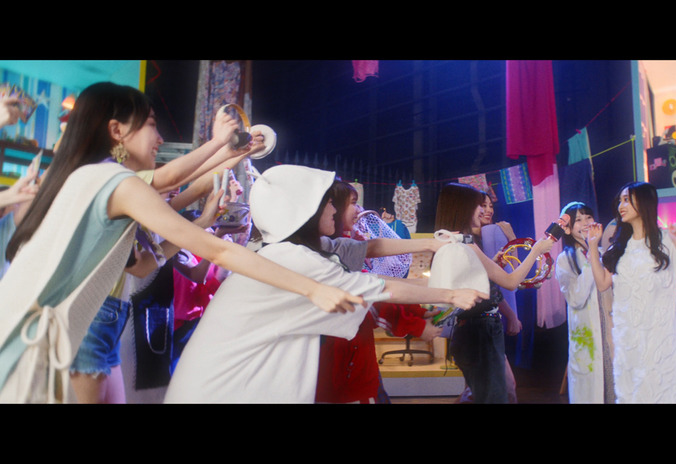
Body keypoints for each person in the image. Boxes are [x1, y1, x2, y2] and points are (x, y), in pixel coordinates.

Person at [0, 82, 363, 403]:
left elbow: (146, 258)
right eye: (151, 124)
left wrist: (228, 158)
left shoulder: (96, 179)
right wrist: (312, 288)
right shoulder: (112, 181)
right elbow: (202, 228)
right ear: (116, 131)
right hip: (66, 331)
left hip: (79, 327)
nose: (160, 138)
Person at [165, 165, 486, 403]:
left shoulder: (301, 249)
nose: (336, 208)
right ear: (303, 210)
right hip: (224, 392)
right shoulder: (296, 258)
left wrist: (431, 251)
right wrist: (450, 294)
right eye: (329, 202)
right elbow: (379, 287)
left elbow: (369, 261)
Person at [315, 181, 443, 404]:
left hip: (354, 356)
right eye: (353, 203)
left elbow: (377, 280)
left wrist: (418, 311)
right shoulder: (330, 252)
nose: (358, 209)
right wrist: (417, 322)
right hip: (344, 361)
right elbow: (374, 293)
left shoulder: (341, 245)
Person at [434, 182, 555, 403]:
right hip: (479, 332)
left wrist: (491, 265)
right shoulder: (466, 244)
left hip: (475, 331)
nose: (483, 210)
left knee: (492, 393)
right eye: (478, 205)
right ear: (462, 208)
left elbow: (476, 284)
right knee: (494, 396)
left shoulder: (455, 242)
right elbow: (510, 282)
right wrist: (537, 249)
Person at [585, 181, 676, 403]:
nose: (621, 206)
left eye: (627, 200)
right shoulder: (619, 247)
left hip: (661, 344)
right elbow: (602, 284)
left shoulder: (668, 241)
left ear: (645, 202)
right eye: (620, 201)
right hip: (628, 343)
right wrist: (592, 246)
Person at [554, 201, 609, 404]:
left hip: (609, 333)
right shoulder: (565, 259)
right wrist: (591, 257)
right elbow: (575, 298)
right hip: (587, 338)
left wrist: (595, 251)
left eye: (588, 217)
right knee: (589, 394)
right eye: (578, 220)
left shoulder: (605, 254)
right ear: (567, 229)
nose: (585, 223)